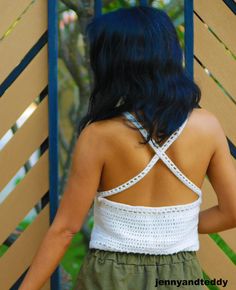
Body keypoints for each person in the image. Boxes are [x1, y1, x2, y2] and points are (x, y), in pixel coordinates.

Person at [19, 6, 236, 290]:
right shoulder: (207, 127)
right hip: (181, 276)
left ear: (114, 64)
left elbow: (65, 230)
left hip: (109, 277)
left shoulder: (99, 135)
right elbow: (232, 211)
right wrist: (170, 226)